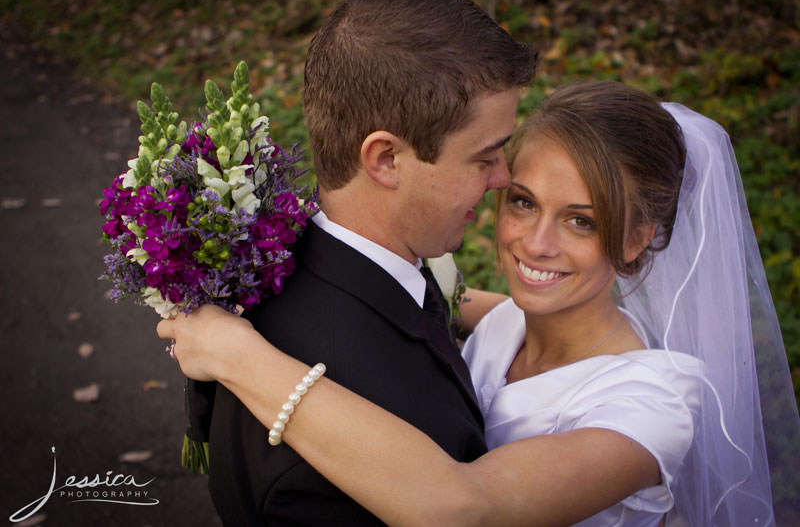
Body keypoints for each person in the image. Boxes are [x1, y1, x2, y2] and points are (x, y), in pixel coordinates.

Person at [160, 81, 800, 525]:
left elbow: (459, 509)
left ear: (637, 237)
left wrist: (237, 355)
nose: (535, 243)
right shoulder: (507, 320)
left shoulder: (650, 409)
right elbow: (433, 291)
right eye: (522, 201)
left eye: (581, 221)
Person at [178, 0, 538, 524]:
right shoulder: (360, 442)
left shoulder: (299, 260)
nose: (504, 178)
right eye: (484, 157)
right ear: (387, 159)